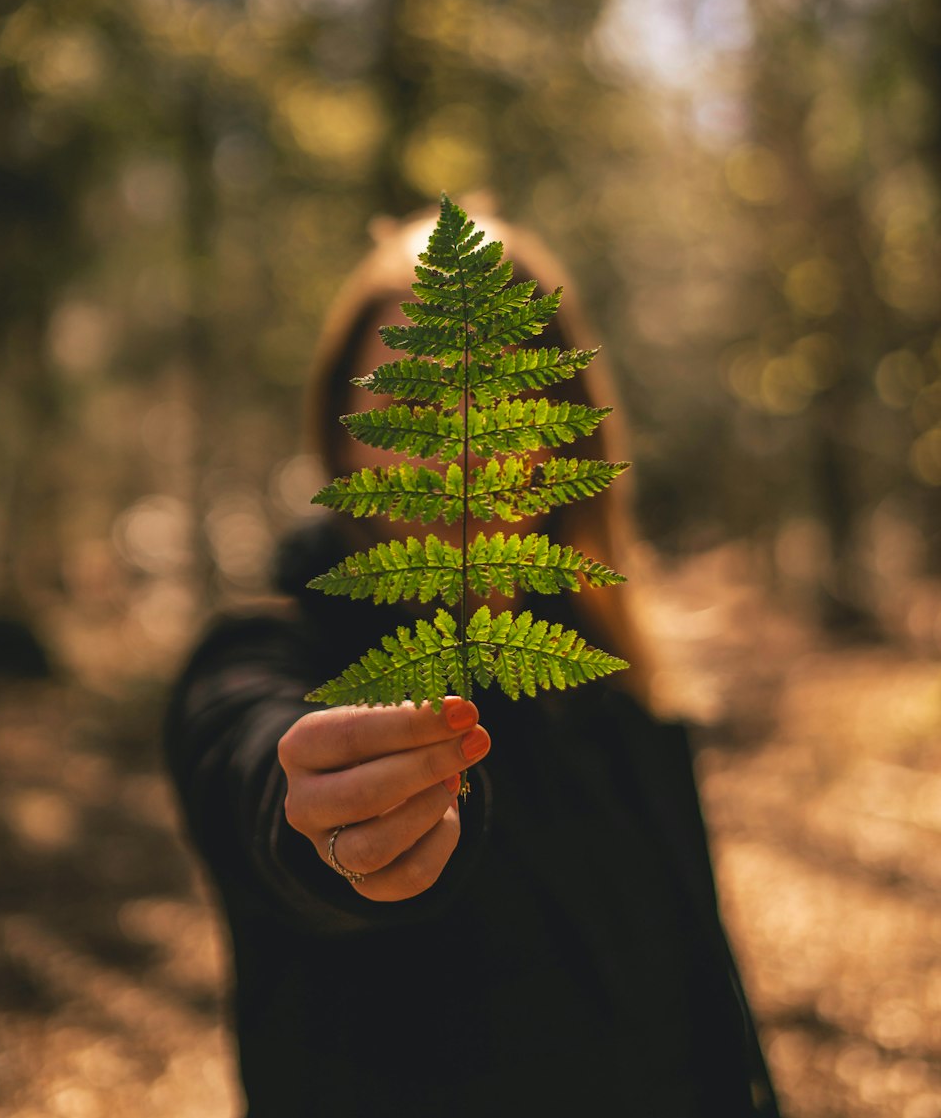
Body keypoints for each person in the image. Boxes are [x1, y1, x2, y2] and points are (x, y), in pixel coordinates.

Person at [165, 203, 781, 1118]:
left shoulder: (617, 686)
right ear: (342, 436)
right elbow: (258, 769)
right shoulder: (264, 658)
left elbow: (705, 993)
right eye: (417, 404)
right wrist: (341, 830)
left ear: (559, 439)